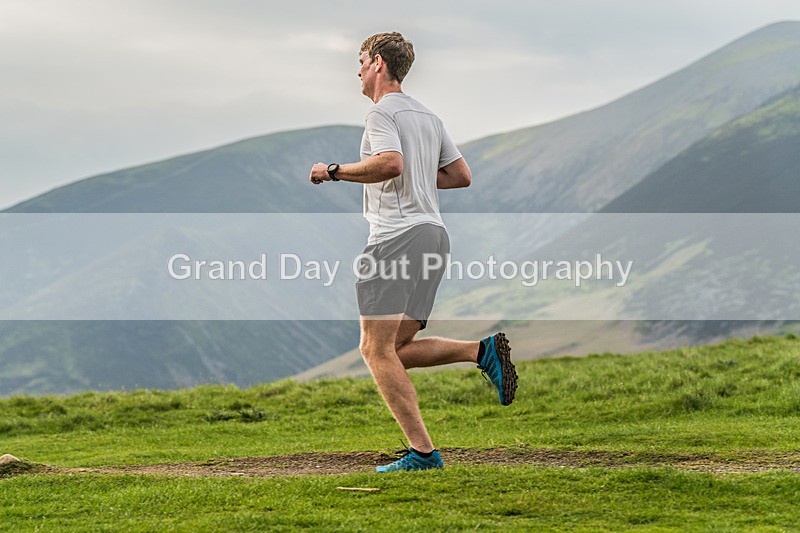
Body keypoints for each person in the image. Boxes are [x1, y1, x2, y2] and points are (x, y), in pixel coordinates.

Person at [309, 31, 517, 472]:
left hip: (394, 238)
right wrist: (420, 178)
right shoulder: (428, 116)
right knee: (397, 346)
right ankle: (481, 353)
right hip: (434, 236)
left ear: (379, 63)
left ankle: (423, 453)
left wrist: (332, 171)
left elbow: (390, 164)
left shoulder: (381, 114)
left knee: (373, 348)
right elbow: (460, 175)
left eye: (361, 60)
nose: (358, 69)